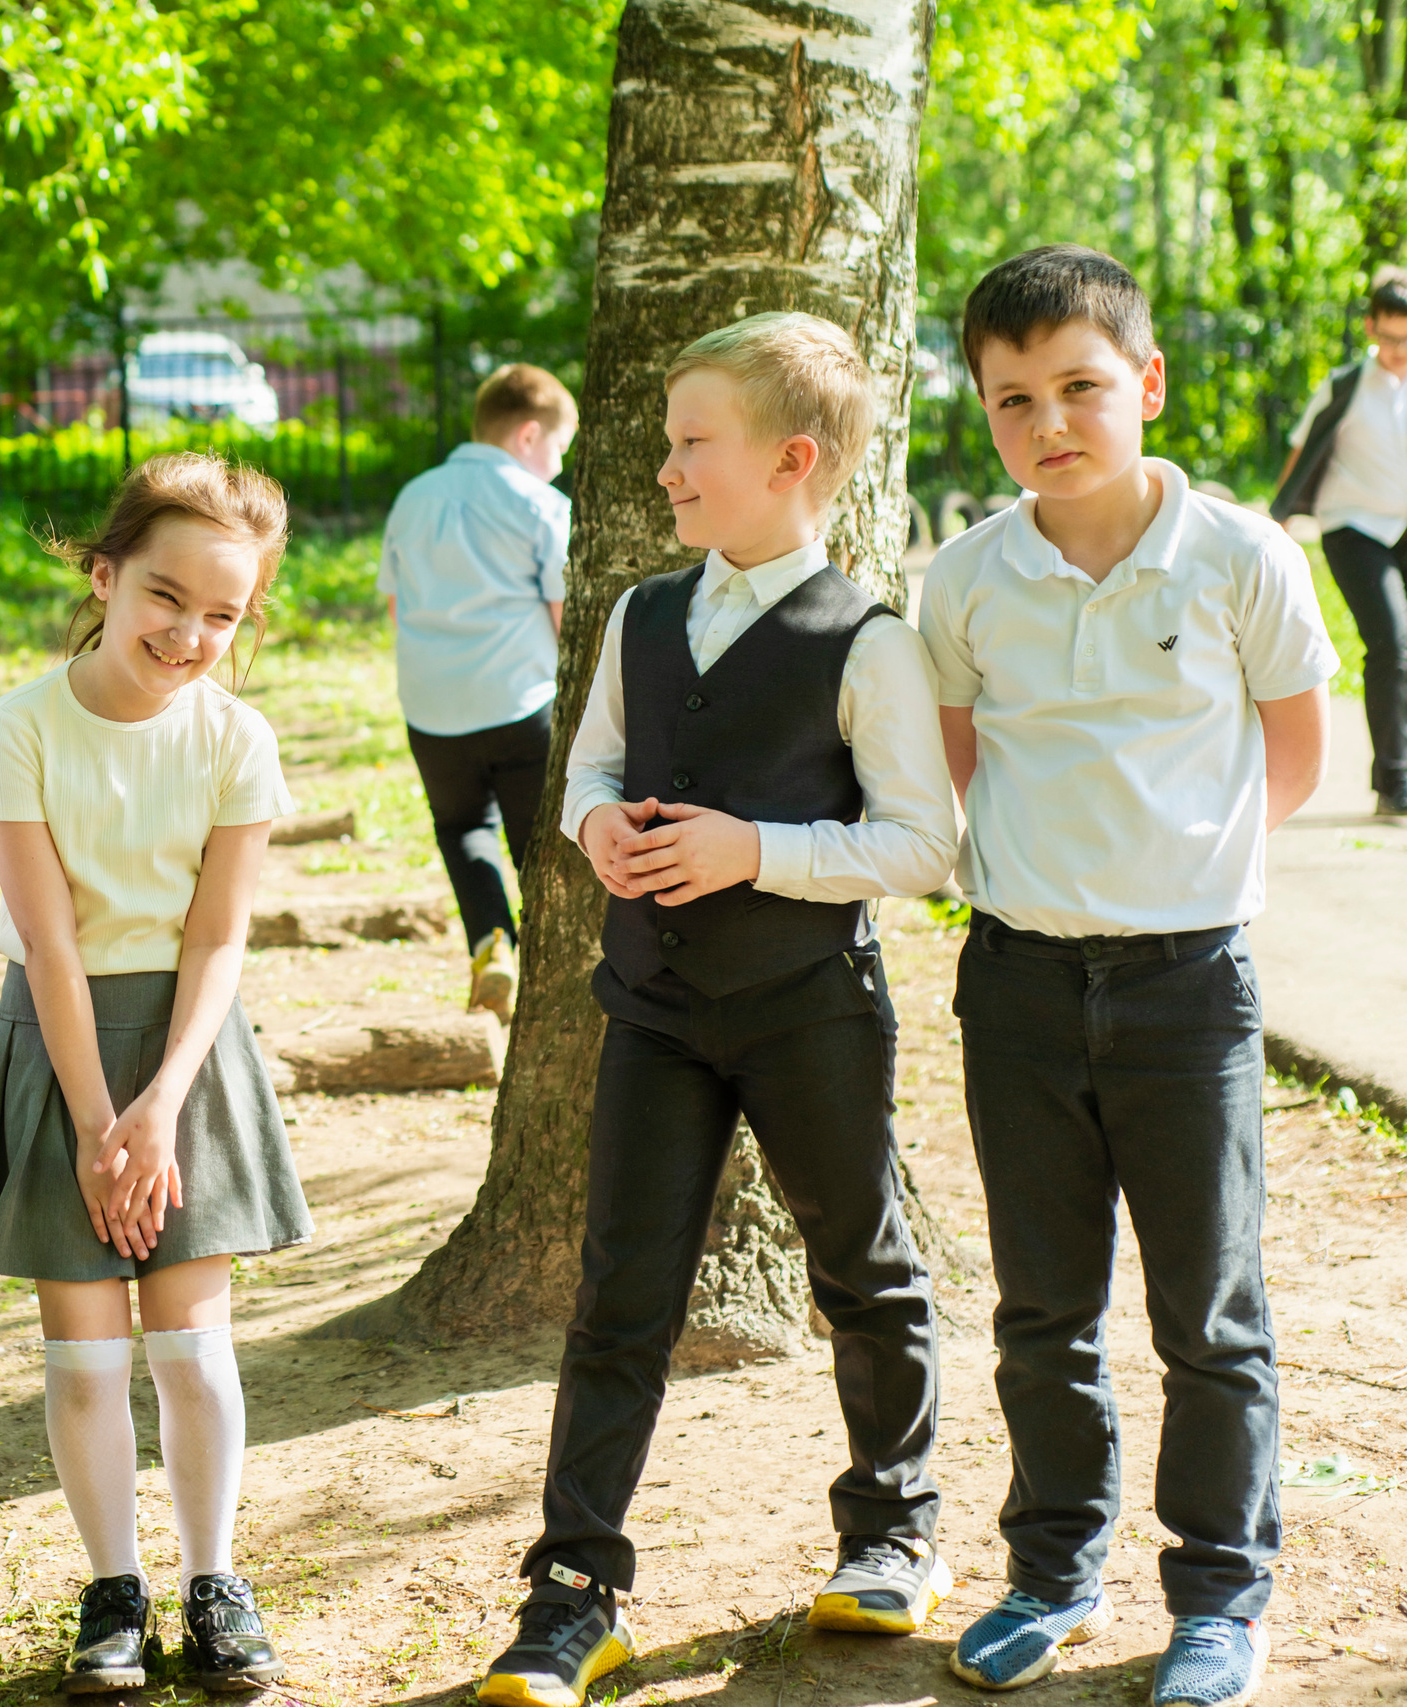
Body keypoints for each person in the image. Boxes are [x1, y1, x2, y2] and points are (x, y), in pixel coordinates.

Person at [478, 313, 958, 1707]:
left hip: (812, 1007)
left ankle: (894, 1532)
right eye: (671, 442)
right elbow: (592, 770)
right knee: (618, 1297)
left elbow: (924, 845)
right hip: (656, 1011)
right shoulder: (640, 611)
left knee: (861, 1267)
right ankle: (574, 1593)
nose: (669, 466)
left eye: (695, 443)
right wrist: (593, 834)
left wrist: (760, 849)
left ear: (792, 460)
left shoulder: (868, 639)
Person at [923, 244, 1335, 1707]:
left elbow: (1292, 758)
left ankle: (1221, 1595)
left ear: (1146, 384)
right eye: (1013, 398)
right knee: (1043, 1307)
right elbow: (958, 769)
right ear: (983, 411)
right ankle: (1051, 1567)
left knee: (1208, 1314)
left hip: (1189, 988)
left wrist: (1177, 868)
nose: (1051, 423)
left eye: (1083, 388)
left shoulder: (1238, 558)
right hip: (1021, 986)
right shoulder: (964, 578)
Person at [0, 452, 311, 1696]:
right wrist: (98, 1120)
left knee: (192, 1345)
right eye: (166, 597)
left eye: (224, 614)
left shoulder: (235, 738)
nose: (190, 633)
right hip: (60, 1048)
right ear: (103, 575)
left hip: (189, 1050)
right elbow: (49, 945)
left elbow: (217, 936)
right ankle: (113, 1587)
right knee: (85, 1352)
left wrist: (159, 1109)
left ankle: (215, 1579)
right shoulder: (18, 728)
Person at [377, 363, 576, 1018]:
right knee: (538, 843)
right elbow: (560, 613)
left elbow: (396, 605)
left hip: (432, 708)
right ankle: (551, 969)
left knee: (462, 826)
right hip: (519, 701)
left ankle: (491, 943)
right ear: (527, 435)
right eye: (557, 448)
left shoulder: (412, 496)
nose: (556, 464)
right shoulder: (540, 504)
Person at [1271, 266, 1407, 817]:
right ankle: (1395, 784)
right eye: (1391, 337)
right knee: (1392, 645)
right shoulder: (1346, 385)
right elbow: (1303, 454)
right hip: (1354, 528)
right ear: (1371, 327)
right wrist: (1276, 521)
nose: (1400, 350)